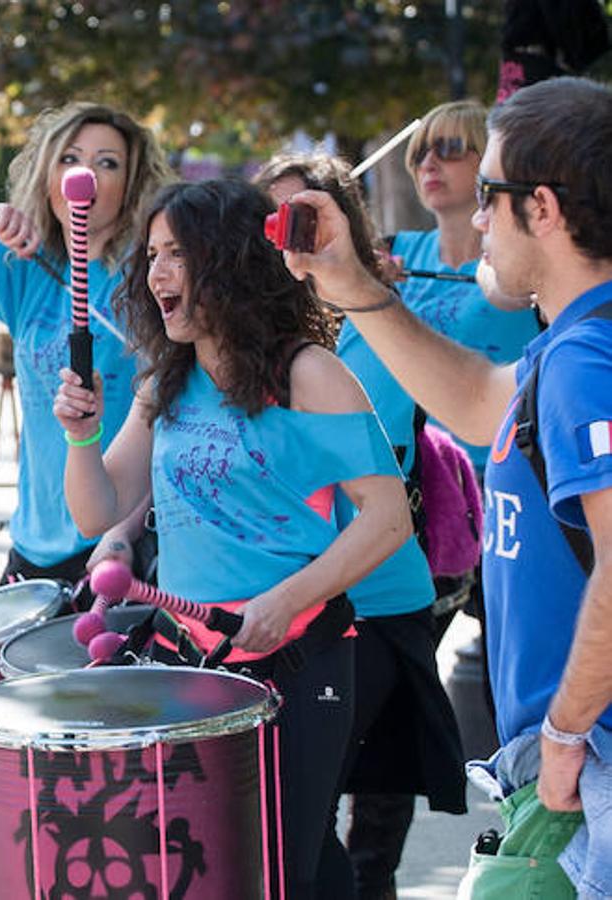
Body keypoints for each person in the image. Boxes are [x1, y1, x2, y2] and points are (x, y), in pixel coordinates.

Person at [282, 77, 612, 898]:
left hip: (590, 764)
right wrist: (353, 286)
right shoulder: (568, 347)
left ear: (541, 207)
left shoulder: (585, 362)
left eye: (489, 195)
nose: (474, 220)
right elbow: (475, 400)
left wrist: (567, 735)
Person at [57, 178, 413, 898]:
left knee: (284, 865)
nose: (157, 272)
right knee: (209, 865)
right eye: (152, 255)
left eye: (178, 254)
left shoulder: (308, 373)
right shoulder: (167, 382)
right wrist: (80, 435)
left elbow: (388, 519)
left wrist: (287, 600)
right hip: (187, 657)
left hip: (300, 652)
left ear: (231, 260)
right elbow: (99, 512)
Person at [257, 154, 468, 899]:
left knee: (375, 822)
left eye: (305, 217)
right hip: (290, 612)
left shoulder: (379, 326)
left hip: (384, 599)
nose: (288, 237)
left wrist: (371, 296)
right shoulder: (244, 342)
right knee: (298, 824)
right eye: (272, 220)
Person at [0, 101, 172, 586]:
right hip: (35, 541)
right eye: (69, 158)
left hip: (122, 541)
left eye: (108, 162)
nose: (85, 172)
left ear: (130, 186)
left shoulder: (150, 273)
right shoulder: (28, 268)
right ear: (47, 173)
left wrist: (126, 531)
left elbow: (170, 417)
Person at [392, 100, 540, 469]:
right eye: (419, 153)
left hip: (500, 466)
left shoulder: (524, 258)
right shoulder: (394, 250)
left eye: (450, 149)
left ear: (489, 161)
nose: (429, 163)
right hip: (414, 473)